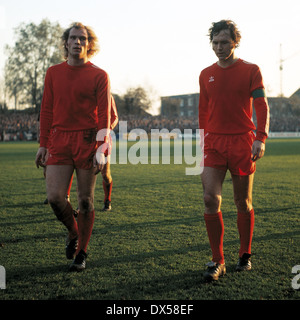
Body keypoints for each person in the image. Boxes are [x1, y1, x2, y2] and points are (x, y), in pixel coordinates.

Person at [35, 22, 113, 271]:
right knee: (56, 198)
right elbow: (46, 110)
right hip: (59, 140)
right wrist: (42, 144)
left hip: (88, 141)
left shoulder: (99, 75)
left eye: (82, 39)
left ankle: (82, 253)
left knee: (86, 201)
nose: (77, 42)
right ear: (66, 43)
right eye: (73, 38)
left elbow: (105, 115)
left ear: (89, 45)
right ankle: (73, 231)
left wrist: (102, 147)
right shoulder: (53, 73)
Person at [198, 20, 269, 281]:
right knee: (209, 199)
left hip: (241, 142)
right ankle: (218, 261)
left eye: (224, 42)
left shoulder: (251, 70)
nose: (219, 47)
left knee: (242, 202)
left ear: (235, 42)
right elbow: (203, 110)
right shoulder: (206, 74)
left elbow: (261, 106)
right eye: (215, 42)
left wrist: (260, 137)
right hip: (213, 144)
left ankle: (244, 254)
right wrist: (202, 140)